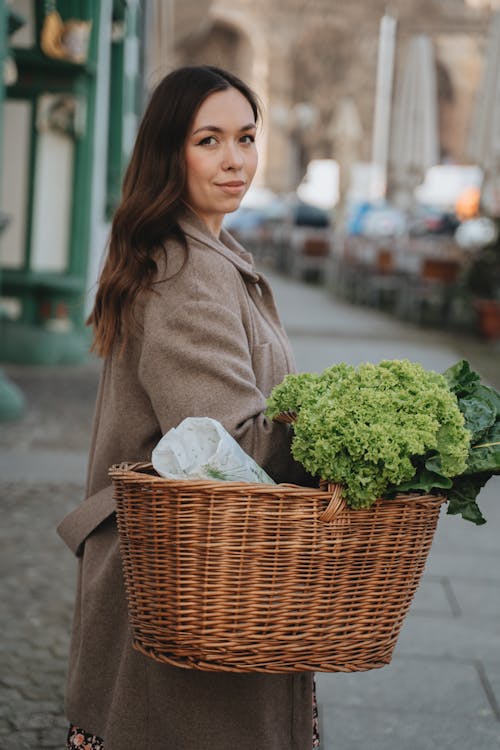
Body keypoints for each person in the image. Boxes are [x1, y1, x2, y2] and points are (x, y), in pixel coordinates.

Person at [57, 65, 320, 750]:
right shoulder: (188, 269)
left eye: (246, 137)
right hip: (188, 577)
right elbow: (227, 446)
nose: (236, 160)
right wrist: (337, 434)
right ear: (170, 151)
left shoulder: (210, 251)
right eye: (209, 140)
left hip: (194, 571)